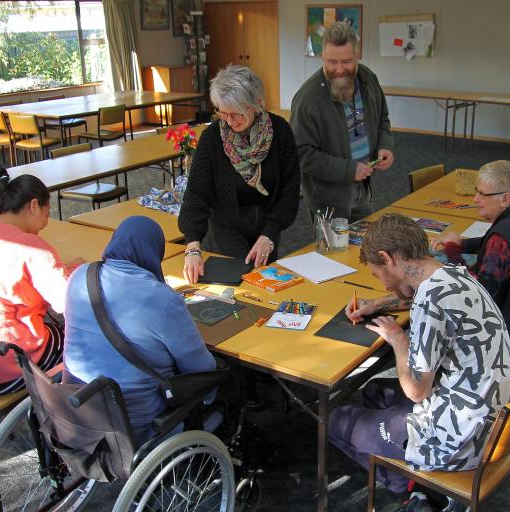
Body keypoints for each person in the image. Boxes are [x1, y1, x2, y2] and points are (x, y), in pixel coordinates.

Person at [330, 213, 510, 512]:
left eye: (378, 275)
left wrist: (399, 339)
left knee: (333, 419)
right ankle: (420, 486)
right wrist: (378, 304)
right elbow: (415, 297)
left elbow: (416, 390)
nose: (383, 285)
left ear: (386, 258)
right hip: (493, 419)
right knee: (374, 391)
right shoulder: (454, 274)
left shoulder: (430, 303)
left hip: (460, 439)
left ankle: (422, 489)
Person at [63, 216, 216, 444]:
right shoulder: (162, 299)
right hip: (137, 423)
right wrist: (210, 396)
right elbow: (199, 367)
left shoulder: (80, 275)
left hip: (76, 406)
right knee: (222, 377)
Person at [179, 65, 300, 284]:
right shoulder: (212, 138)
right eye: (223, 113)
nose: (229, 121)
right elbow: (196, 193)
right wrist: (192, 245)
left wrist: (270, 233)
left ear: (256, 104)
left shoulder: (280, 132)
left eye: (236, 113)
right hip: (225, 229)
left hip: (266, 227)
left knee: (265, 287)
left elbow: (290, 191)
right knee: (233, 289)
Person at [430, 160, 510, 367]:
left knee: (435, 321)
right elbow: (491, 244)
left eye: (482, 194)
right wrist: (462, 243)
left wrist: (452, 252)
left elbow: (477, 295)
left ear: (505, 198)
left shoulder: (502, 238)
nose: (476, 199)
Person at [0, 167, 83, 395]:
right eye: (46, 214)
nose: (46, 223)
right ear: (33, 206)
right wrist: (75, 270)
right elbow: (65, 301)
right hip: (9, 363)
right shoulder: (31, 247)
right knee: (83, 338)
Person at [290, 21, 394, 223]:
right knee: (332, 254)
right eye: (332, 62)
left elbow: (382, 118)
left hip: (363, 189)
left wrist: (385, 146)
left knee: (366, 248)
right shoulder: (308, 98)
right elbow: (301, 153)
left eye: (346, 61)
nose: (339, 69)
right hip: (329, 199)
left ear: (357, 55)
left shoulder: (368, 80)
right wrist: (348, 170)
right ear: (322, 57)